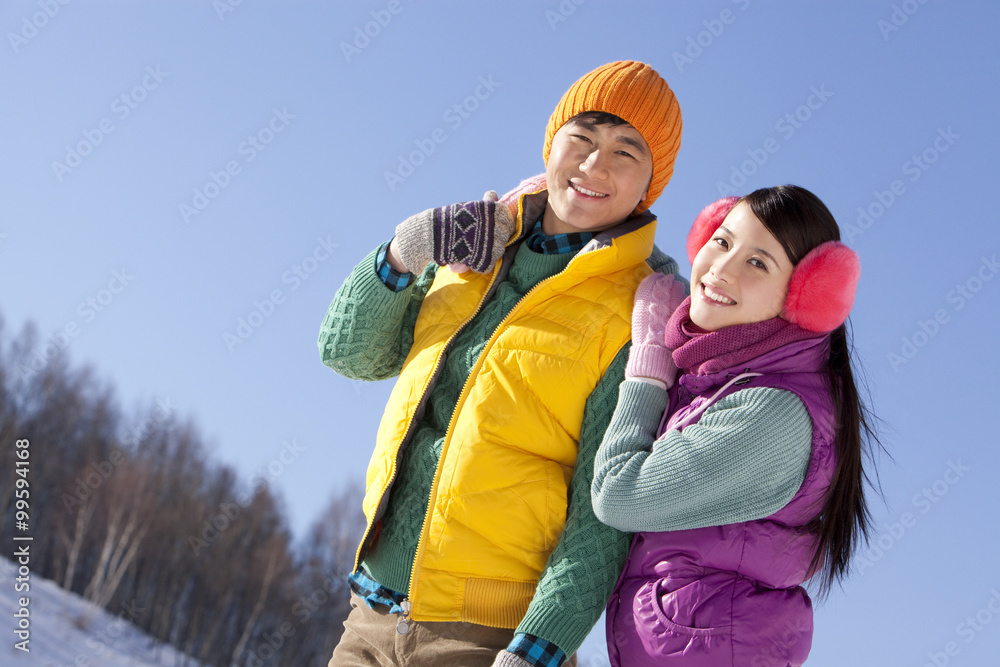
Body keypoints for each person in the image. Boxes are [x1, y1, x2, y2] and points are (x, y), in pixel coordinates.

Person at [317, 61, 685, 667]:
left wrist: (541, 646)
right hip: (370, 617)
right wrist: (406, 250)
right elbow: (348, 352)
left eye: (627, 151)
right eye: (583, 137)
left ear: (651, 181)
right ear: (552, 144)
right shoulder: (474, 244)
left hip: (487, 637)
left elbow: (605, 509)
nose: (595, 165)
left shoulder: (637, 310)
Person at [591, 185, 879, 666]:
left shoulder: (772, 413)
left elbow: (619, 494)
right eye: (722, 242)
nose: (722, 269)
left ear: (805, 296)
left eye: (758, 263)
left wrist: (647, 368)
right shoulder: (722, 379)